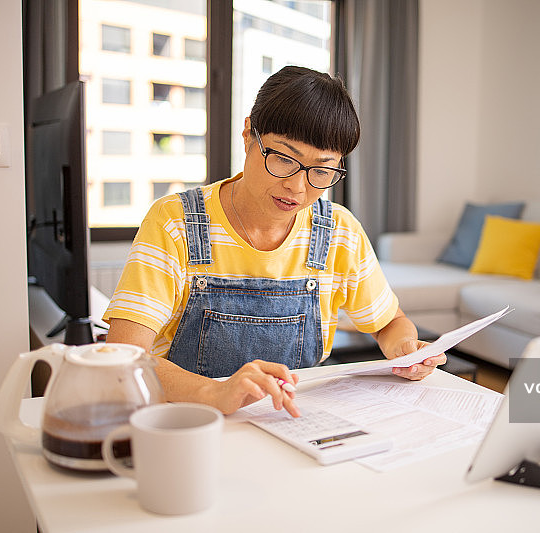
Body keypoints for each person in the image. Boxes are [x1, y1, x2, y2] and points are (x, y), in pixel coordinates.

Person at [104, 66, 446, 418]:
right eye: (283, 158)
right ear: (249, 134)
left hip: (294, 421)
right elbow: (122, 356)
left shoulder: (338, 232)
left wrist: (405, 348)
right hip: (189, 422)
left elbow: (389, 322)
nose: (298, 187)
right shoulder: (176, 222)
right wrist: (215, 391)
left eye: (322, 170)